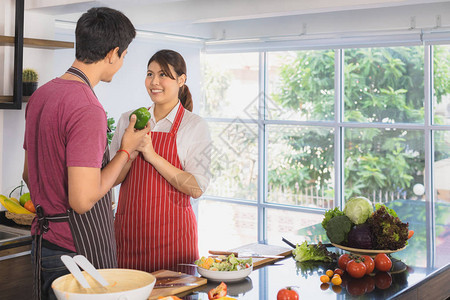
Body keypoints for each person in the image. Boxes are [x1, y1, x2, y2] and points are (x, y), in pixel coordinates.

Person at [22, 7, 150, 300]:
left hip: (43, 246)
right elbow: (81, 200)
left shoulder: (42, 95)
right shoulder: (87, 108)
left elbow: (28, 175)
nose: (121, 63)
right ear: (113, 53)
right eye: (124, 55)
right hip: (76, 254)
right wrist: (126, 150)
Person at [110, 49, 211, 273]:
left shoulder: (194, 126)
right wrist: (129, 152)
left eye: (163, 74)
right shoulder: (129, 119)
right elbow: (111, 179)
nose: (154, 82)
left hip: (173, 243)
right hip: (128, 239)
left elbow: (196, 188)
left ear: (181, 80)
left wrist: (152, 155)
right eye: (150, 74)